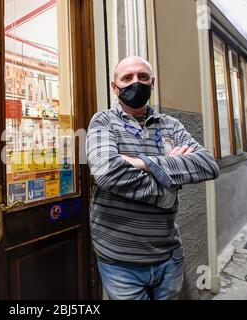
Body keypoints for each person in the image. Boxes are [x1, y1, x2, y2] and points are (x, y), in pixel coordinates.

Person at [86, 56, 220, 300]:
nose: (136, 83)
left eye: (142, 77)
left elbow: (208, 165)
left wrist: (141, 162)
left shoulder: (171, 125)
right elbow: (107, 172)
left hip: (168, 256)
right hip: (119, 260)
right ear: (114, 87)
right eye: (127, 78)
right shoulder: (103, 121)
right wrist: (168, 190)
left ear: (152, 82)